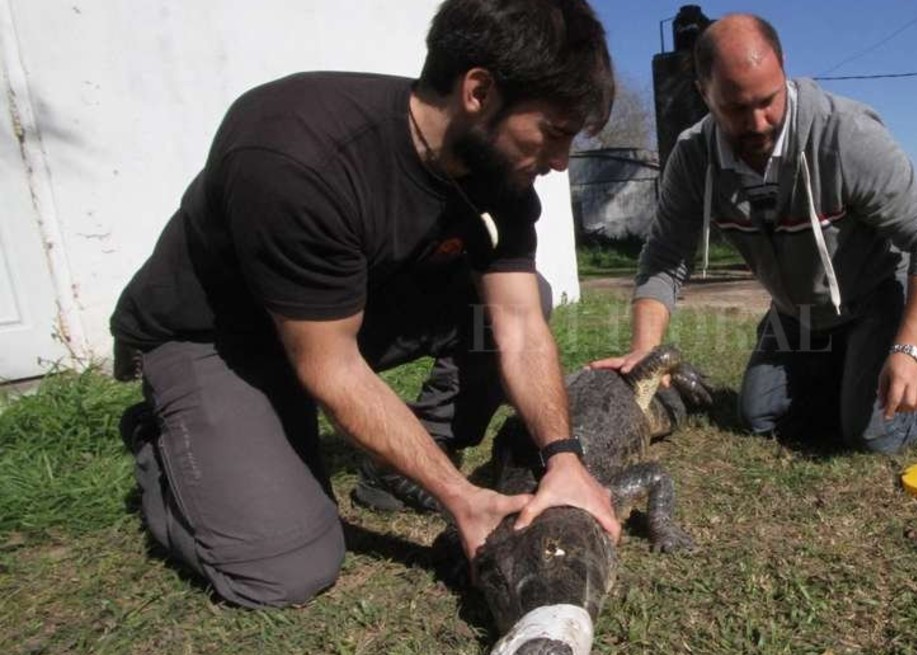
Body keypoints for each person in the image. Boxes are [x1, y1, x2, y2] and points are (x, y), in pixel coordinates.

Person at [109, 0, 620, 609]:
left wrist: (562, 458)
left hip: (336, 319)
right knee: (283, 570)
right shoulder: (297, 153)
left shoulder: (499, 174)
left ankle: (398, 464)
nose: (561, 162)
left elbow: (517, 322)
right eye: (554, 133)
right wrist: (461, 497)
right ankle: (165, 438)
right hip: (219, 338)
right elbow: (331, 366)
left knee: (518, 296)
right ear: (479, 91)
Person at [592, 14, 917, 453]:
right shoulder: (692, 157)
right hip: (798, 312)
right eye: (737, 108)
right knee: (760, 417)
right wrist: (645, 350)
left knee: (876, 432)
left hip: (875, 296)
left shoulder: (845, 135)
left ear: (783, 70)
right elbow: (664, 257)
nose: (759, 122)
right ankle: (856, 376)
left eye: (768, 100)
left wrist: (908, 350)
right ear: (705, 94)